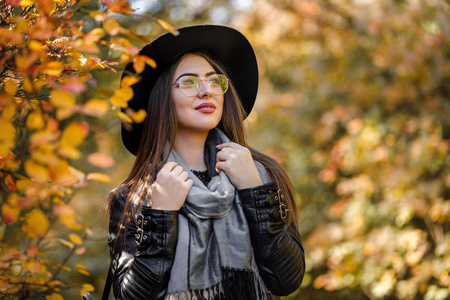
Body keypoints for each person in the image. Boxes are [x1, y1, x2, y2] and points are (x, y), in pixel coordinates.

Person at [107, 24, 305, 300]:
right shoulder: (134, 196)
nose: (206, 90)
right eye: (188, 82)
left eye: (214, 80)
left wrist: (255, 191)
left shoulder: (261, 173)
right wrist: (161, 216)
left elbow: (287, 280)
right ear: (162, 98)